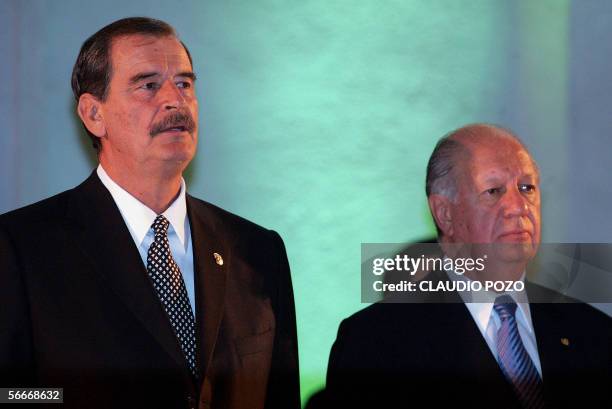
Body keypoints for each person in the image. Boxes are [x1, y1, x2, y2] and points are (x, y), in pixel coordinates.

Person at [0, 17, 299, 409]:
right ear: (94, 114)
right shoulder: (21, 248)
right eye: (148, 85)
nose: (174, 100)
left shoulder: (258, 251)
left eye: (185, 84)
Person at [324, 124, 610, 408]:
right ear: (445, 214)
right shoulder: (377, 344)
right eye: (494, 191)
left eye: (527, 187)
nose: (519, 206)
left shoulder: (592, 332)